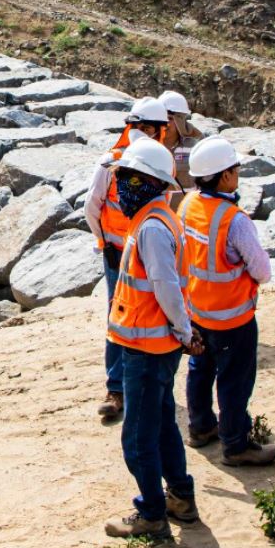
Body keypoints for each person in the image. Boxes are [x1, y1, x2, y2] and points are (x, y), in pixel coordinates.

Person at [103, 138, 205, 539]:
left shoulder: (152, 228)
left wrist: (185, 331)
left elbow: (165, 287)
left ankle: (151, 514)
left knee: (138, 436)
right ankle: (180, 496)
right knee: (162, 424)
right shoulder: (154, 219)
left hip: (147, 348)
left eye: (130, 178)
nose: (121, 186)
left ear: (151, 183)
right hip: (152, 345)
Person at [178, 137, 275, 466]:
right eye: (235, 169)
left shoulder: (188, 205)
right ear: (224, 176)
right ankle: (235, 445)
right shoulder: (234, 220)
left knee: (200, 369)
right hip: (233, 317)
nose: (237, 174)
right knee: (234, 381)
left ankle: (200, 427)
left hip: (197, 309)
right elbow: (261, 271)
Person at [85, 96, 173, 423]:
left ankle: (138, 384)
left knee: (146, 310)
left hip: (145, 250)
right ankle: (116, 388)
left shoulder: (159, 161)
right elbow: (91, 207)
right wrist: (104, 240)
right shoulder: (112, 162)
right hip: (119, 253)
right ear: (148, 128)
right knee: (120, 314)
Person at [158, 90, 203, 190]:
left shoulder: (196, 145)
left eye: (169, 118)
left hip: (188, 204)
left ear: (181, 120)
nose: (165, 124)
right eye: (161, 118)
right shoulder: (149, 144)